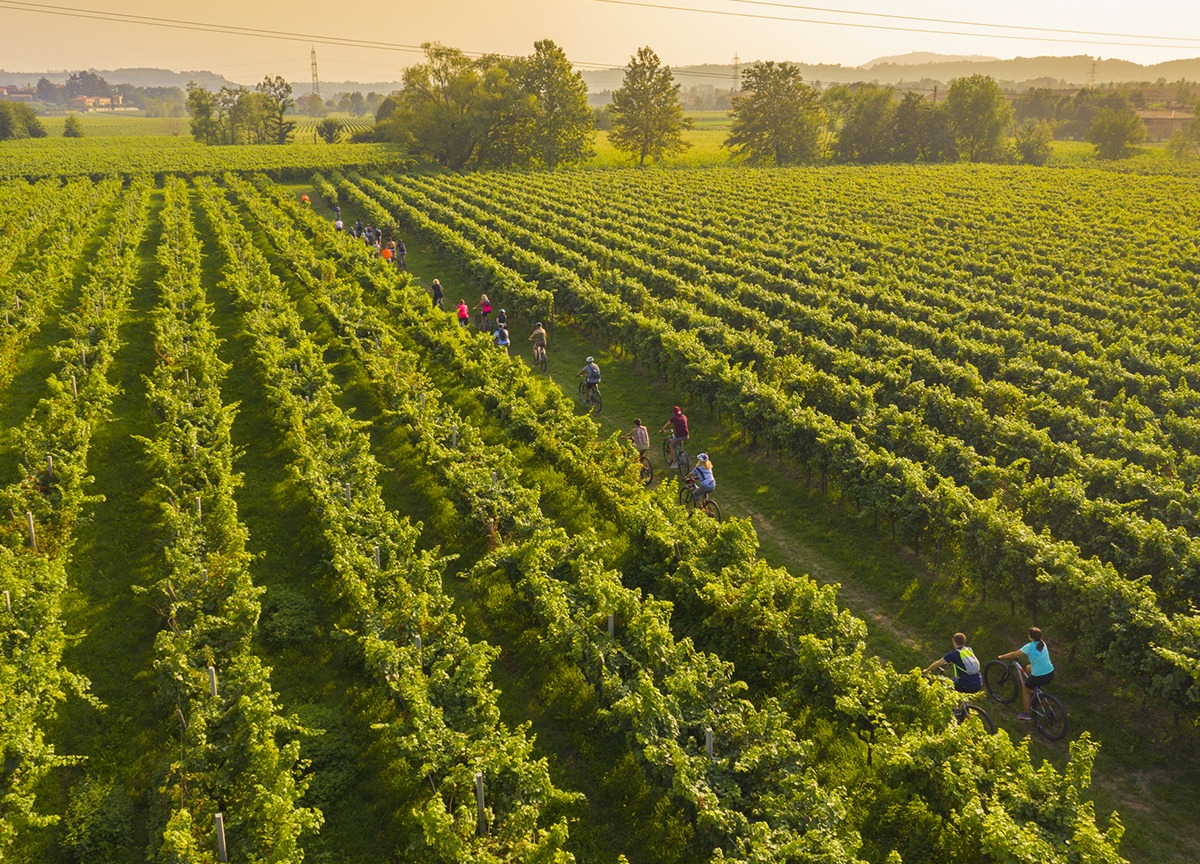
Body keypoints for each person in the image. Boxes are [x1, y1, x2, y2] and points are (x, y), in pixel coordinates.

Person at [999, 627, 1054, 721]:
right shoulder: (1042, 643)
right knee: (1028, 667)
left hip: (1039, 676)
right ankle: (1035, 688)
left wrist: (1002, 656)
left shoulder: (1029, 646)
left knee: (1025, 689)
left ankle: (1026, 714)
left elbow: (1015, 654)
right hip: (1050, 672)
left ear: (1031, 637)